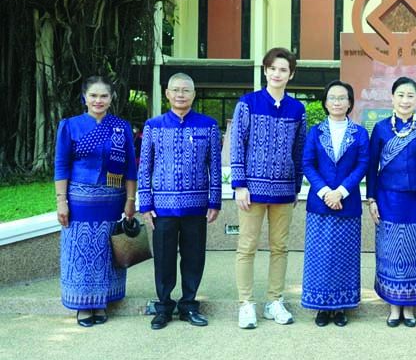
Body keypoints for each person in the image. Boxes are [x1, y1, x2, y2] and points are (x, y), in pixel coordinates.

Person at [138, 73, 222, 330]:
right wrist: (145, 203)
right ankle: (163, 307)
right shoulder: (153, 126)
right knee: (163, 257)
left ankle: (188, 305)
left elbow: (215, 166)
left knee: (194, 256)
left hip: (197, 206)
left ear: (194, 94)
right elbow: (145, 167)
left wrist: (215, 200)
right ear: (167, 94)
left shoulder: (208, 126)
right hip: (162, 207)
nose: (180, 94)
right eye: (175, 90)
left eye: (186, 90)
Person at [230, 47, 306, 329]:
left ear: (291, 74)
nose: (277, 74)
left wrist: (297, 185)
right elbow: (237, 143)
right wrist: (239, 184)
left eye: (283, 69)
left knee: (280, 248)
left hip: (284, 191)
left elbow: (299, 151)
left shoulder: (297, 109)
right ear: (265, 71)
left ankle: (274, 301)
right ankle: (246, 304)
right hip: (251, 189)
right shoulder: (247, 103)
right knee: (247, 247)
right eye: (273, 68)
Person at [54, 76, 137, 327]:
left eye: (104, 96)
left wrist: (130, 200)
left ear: (111, 99)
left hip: (113, 200)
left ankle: (102, 302)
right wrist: (61, 201)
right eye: (93, 95)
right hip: (79, 201)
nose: (98, 100)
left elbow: (131, 168)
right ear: (84, 98)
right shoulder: (70, 126)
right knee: (81, 250)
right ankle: (82, 304)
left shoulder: (121, 128)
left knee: (106, 251)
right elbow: (61, 165)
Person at [367, 76, 416, 327]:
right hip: (388, 199)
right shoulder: (381, 128)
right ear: (392, 97)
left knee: (415, 252)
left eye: (410, 95)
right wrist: (371, 198)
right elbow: (371, 166)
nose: (405, 100)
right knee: (390, 252)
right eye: (400, 95)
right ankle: (393, 306)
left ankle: (409, 307)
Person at [301, 80, 369, 327]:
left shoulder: (359, 133)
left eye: (342, 98)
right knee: (320, 257)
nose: (337, 102)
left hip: (347, 205)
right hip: (320, 206)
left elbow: (363, 164)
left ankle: (341, 307)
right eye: (332, 97)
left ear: (350, 102)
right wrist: (325, 192)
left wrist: (340, 192)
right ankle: (321, 306)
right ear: (325, 102)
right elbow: (307, 163)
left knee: (345, 257)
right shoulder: (315, 131)